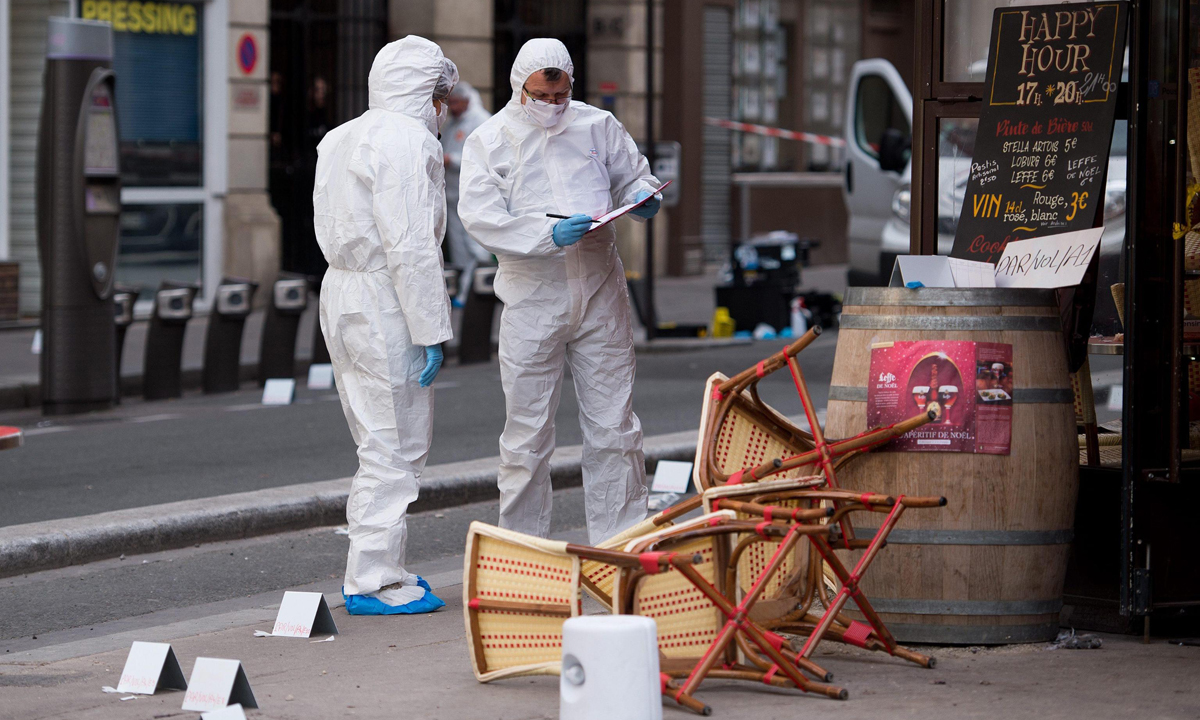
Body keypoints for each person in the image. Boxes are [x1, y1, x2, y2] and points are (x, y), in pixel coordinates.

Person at [458, 38, 662, 545]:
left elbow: (633, 177)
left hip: (600, 289)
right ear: (519, 87)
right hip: (532, 296)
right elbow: (480, 217)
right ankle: (523, 552)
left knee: (615, 427)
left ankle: (621, 545)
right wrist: (545, 235)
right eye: (541, 96)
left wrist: (641, 196)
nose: (552, 106)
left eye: (560, 95)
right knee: (526, 436)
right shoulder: (490, 139)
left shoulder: (597, 125)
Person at [312, 36, 458, 615]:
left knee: (373, 436)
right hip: (385, 299)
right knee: (394, 446)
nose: (443, 108)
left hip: (341, 289)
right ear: (425, 93)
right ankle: (372, 579)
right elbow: (411, 245)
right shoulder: (408, 140)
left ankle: (381, 563)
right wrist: (431, 329)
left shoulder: (339, 136)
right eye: (440, 95)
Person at [440, 81, 494, 306]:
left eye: (455, 102)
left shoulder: (481, 121)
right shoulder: (453, 124)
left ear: (466, 100)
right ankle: (462, 292)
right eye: (450, 102)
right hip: (453, 194)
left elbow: (485, 159)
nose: (452, 107)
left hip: (474, 195)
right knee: (458, 247)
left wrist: (451, 160)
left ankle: (478, 292)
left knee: (475, 245)